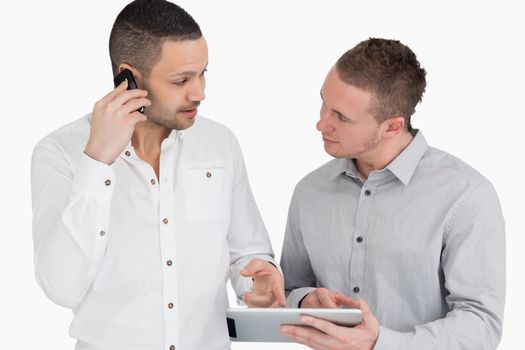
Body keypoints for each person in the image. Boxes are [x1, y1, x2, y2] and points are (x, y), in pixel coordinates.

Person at [30, 1, 285, 349]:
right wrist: (98, 161)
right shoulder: (60, 152)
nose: (200, 92)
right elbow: (61, 287)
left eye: (203, 73)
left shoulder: (220, 143)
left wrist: (259, 281)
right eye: (181, 80)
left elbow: (247, 253)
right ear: (128, 76)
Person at [279, 38, 505, 349]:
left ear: (392, 126)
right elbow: (292, 287)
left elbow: (481, 323)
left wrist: (381, 343)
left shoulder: (466, 195)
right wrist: (305, 300)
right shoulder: (309, 191)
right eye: (323, 103)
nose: (321, 123)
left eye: (341, 117)